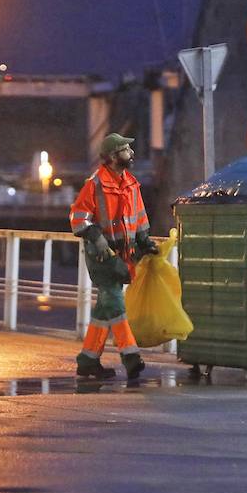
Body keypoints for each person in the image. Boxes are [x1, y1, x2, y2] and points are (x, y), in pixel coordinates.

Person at [69, 133, 158, 380]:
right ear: (112, 157)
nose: (131, 154)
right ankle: (131, 357)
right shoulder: (94, 184)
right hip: (102, 257)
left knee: (104, 308)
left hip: (124, 254)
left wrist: (145, 241)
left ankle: (88, 360)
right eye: (126, 150)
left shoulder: (131, 184)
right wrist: (97, 239)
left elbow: (139, 217)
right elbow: (78, 218)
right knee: (115, 301)